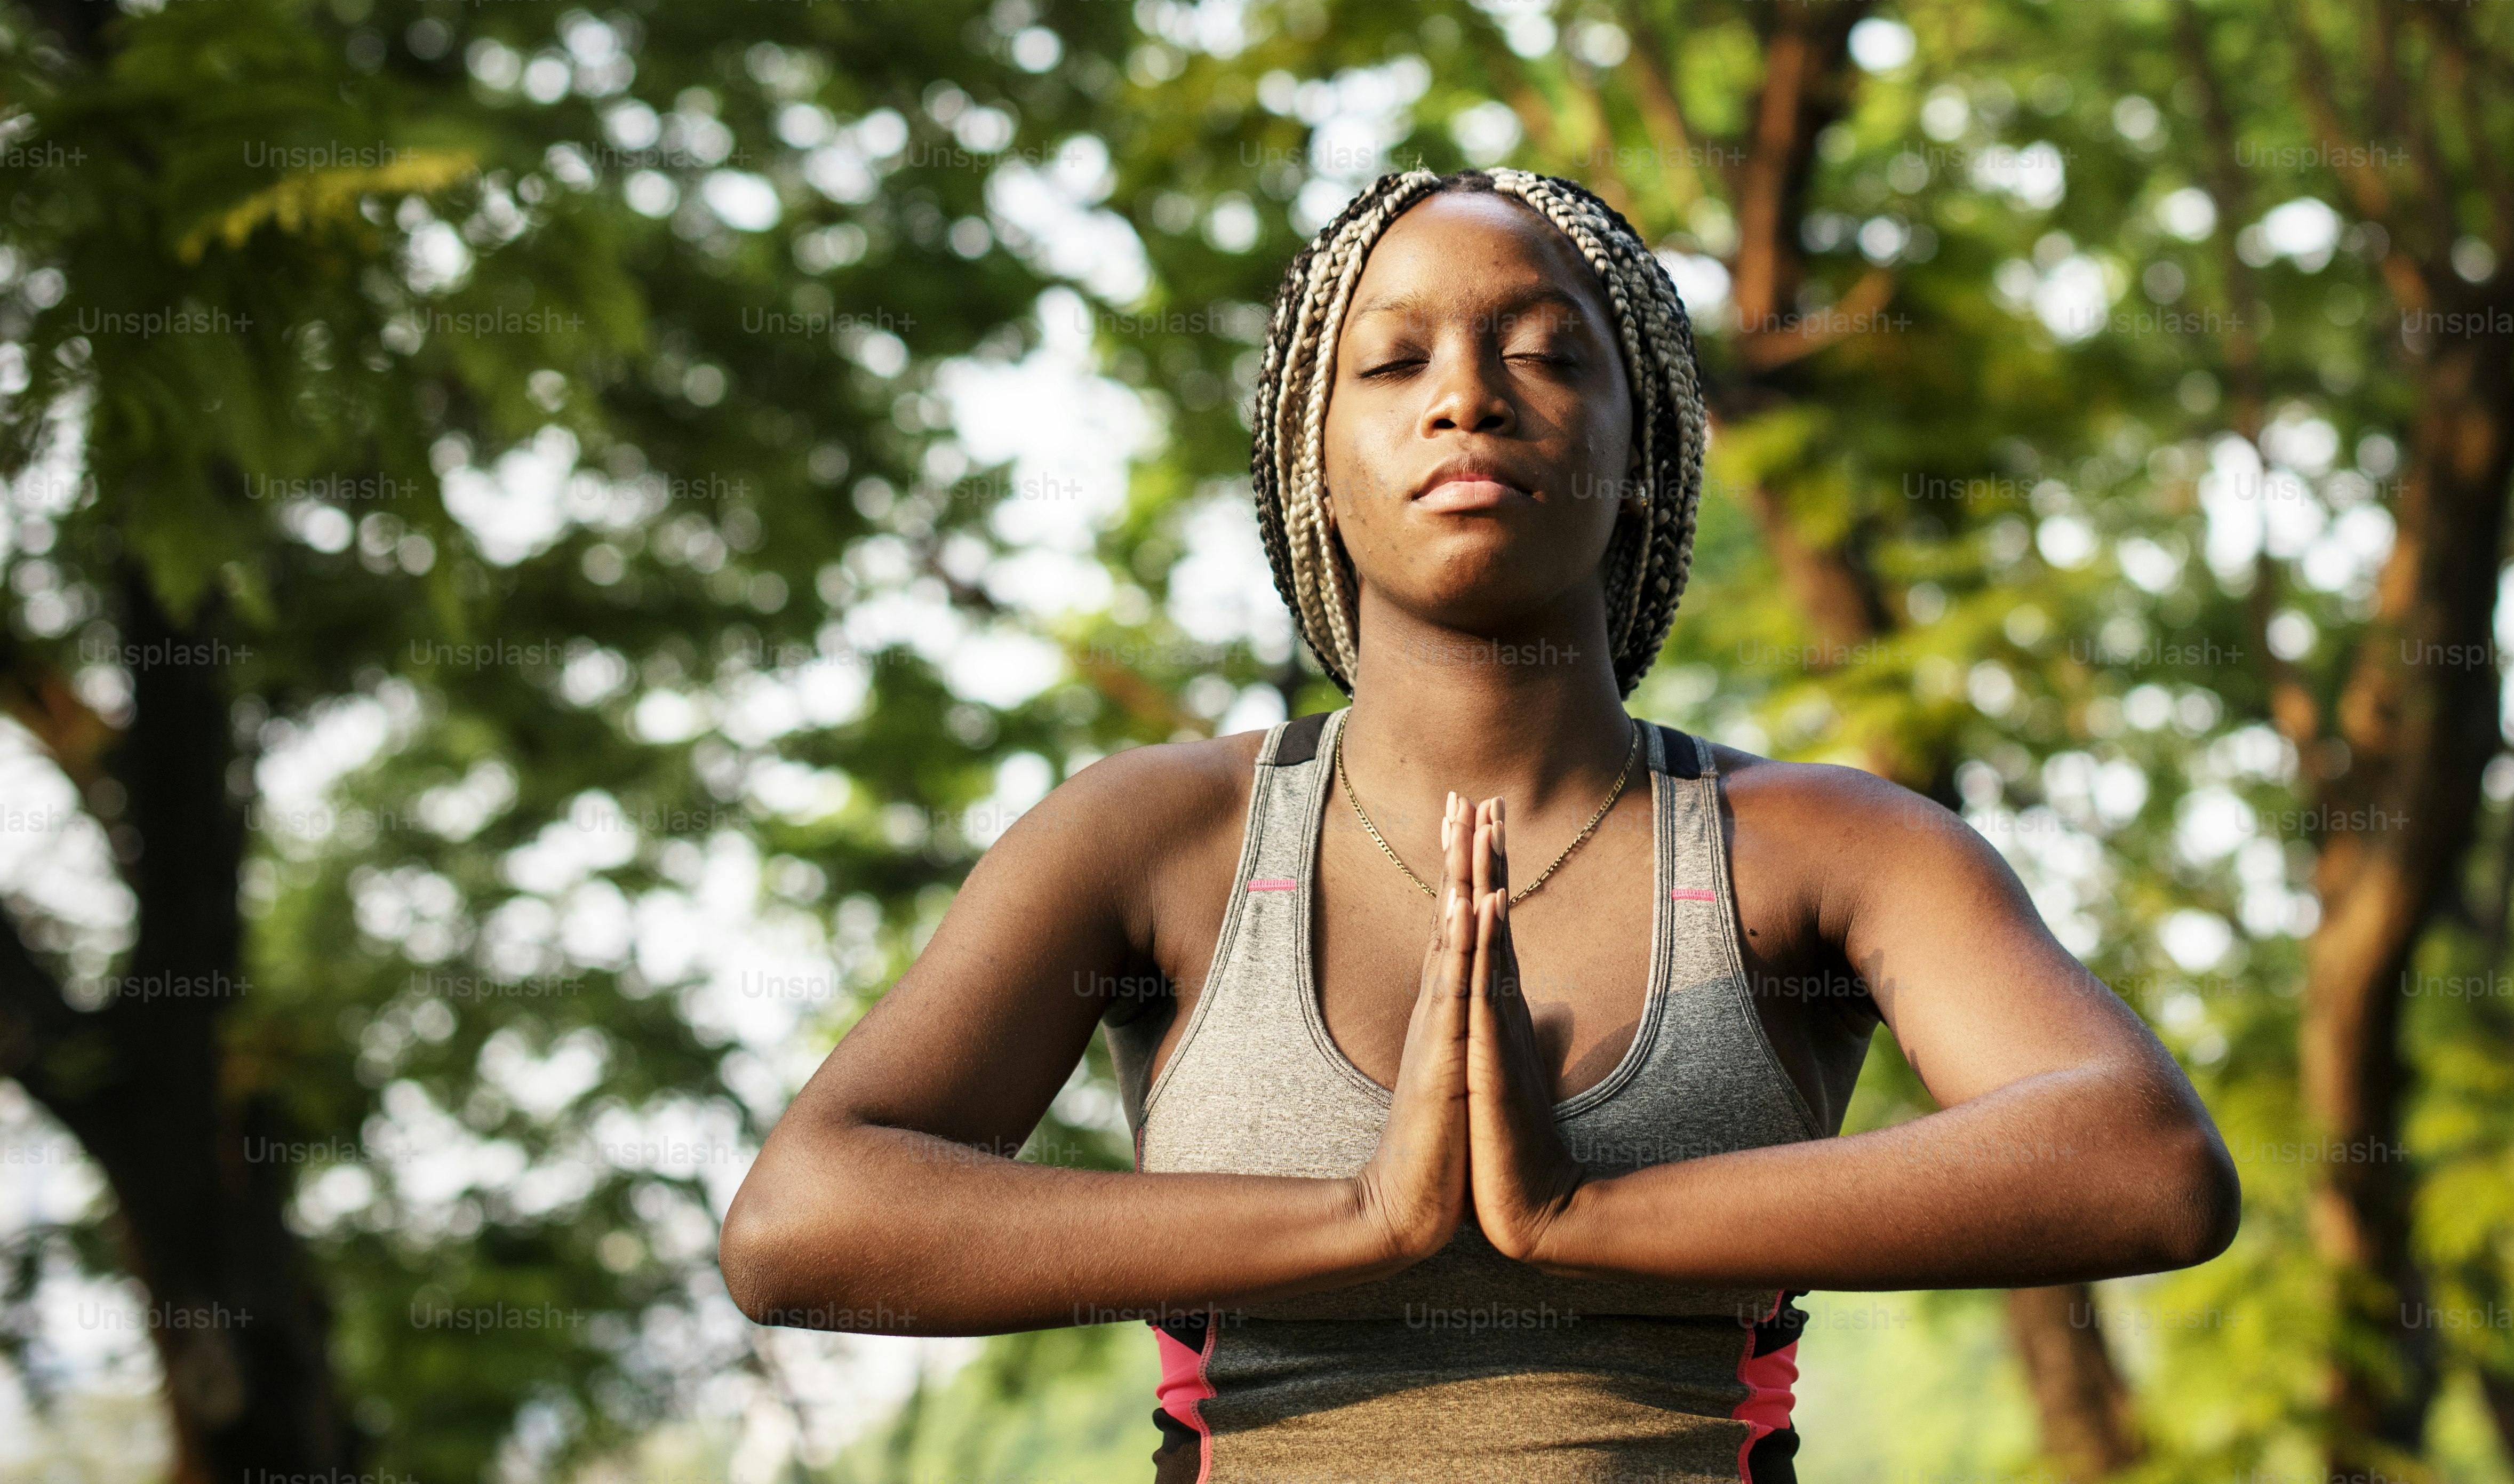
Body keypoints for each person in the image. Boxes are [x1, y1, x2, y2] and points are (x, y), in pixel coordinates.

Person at [721, 166, 2239, 1481]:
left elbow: (2142, 1164)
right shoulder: (1157, 838)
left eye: (1539, 354)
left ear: (1641, 457)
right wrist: (1361, 1219)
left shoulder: (1824, 849)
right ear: (1313, 464)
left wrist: (1583, 1213)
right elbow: (805, 1225)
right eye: (1391, 365)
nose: (1467, 394)